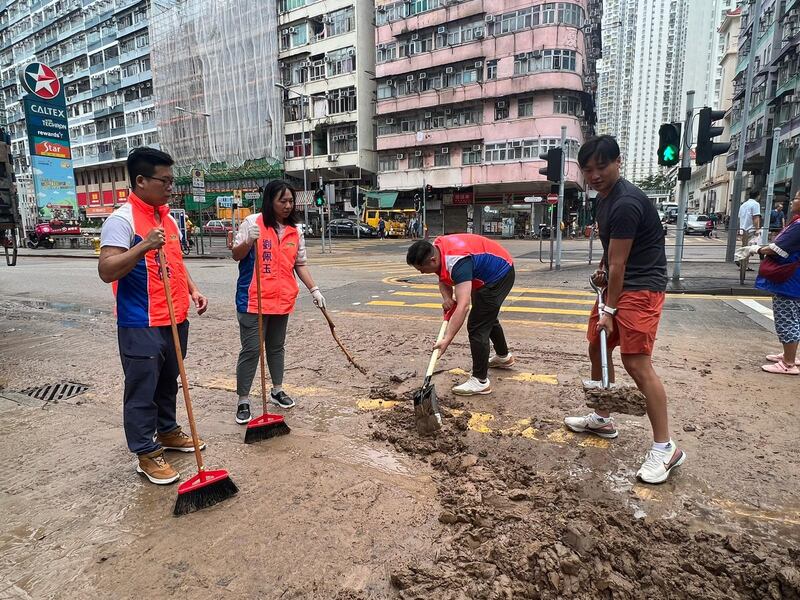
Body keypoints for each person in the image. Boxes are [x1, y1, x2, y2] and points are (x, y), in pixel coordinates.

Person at [563, 135, 685, 485]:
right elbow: (611, 255)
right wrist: (602, 271)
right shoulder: (604, 200)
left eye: (602, 167)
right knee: (596, 348)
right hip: (617, 286)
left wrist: (609, 309)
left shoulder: (626, 202)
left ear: (619, 162)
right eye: (588, 169)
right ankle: (603, 417)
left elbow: (620, 265)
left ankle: (666, 448)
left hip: (640, 288)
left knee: (635, 362)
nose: (595, 174)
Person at [98, 147, 209, 485]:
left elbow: (175, 262)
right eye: (166, 180)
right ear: (141, 180)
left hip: (175, 318)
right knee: (142, 389)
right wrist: (142, 246)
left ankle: (169, 431)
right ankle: (146, 452)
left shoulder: (168, 218)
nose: (171, 187)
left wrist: (193, 290)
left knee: (167, 383)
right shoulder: (122, 220)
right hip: (140, 322)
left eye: (173, 181)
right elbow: (106, 269)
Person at [231, 180, 326, 423]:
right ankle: (243, 400)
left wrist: (314, 289)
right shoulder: (253, 223)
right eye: (281, 201)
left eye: (290, 201)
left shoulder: (296, 230)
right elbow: (236, 255)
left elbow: (299, 264)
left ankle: (277, 390)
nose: (287, 205)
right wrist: (248, 241)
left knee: (276, 347)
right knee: (252, 349)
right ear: (270, 202)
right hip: (253, 299)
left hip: (282, 299)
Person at [406, 234, 515, 395]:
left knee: (477, 325)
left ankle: (480, 381)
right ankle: (503, 357)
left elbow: (463, 306)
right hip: (488, 270)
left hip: (499, 275)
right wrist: (447, 298)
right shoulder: (437, 248)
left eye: (421, 268)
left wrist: (446, 339)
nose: (421, 272)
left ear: (432, 260)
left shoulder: (458, 263)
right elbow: (443, 276)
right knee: (486, 316)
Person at [752, 193, 800, 375]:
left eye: (796, 198)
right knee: (795, 319)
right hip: (795, 281)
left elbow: (776, 249)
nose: (793, 201)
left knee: (786, 320)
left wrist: (755, 249)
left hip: (789, 281)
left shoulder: (798, 225)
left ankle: (788, 363)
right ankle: (790, 355)